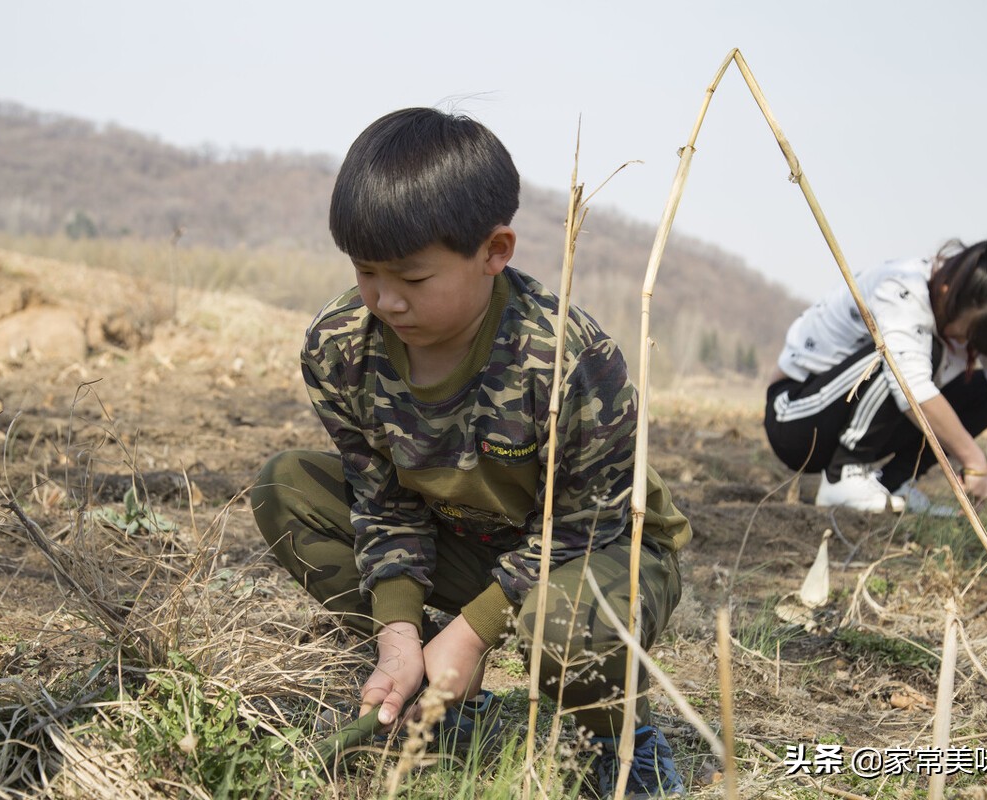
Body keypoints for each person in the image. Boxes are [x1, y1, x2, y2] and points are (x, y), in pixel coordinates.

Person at [250, 107, 690, 798]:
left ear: (495, 252)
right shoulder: (341, 347)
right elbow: (382, 500)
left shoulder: (566, 359)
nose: (385, 300)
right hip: (464, 538)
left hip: (596, 551)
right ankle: (443, 697)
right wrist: (399, 631)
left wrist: (474, 633)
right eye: (366, 272)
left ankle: (617, 737)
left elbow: (586, 526)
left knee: (567, 629)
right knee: (287, 487)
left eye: (413, 279)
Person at [764, 239, 987, 513]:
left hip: (853, 415)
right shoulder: (901, 286)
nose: (966, 344)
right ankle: (843, 474)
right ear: (947, 292)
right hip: (795, 417)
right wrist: (974, 459)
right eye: (965, 333)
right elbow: (911, 388)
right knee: (915, 359)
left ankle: (894, 482)